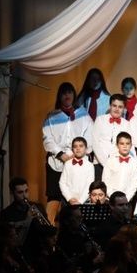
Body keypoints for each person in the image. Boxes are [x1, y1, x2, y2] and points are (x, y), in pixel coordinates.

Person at [42, 82, 94, 220]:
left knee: (75, 195)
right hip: (56, 163)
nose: (67, 96)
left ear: (74, 95)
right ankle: (50, 228)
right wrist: (61, 154)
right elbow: (47, 138)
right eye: (64, 93)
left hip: (77, 161)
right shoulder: (52, 116)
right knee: (54, 196)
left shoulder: (83, 115)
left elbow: (90, 138)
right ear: (59, 96)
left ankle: (76, 225)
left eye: (69, 92)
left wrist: (76, 154)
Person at [92, 94, 133, 175]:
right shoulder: (100, 120)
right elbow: (94, 143)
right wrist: (105, 163)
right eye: (114, 106)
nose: (117, 109)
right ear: (110, 106)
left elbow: (129, 145)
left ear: (124, 109)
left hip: (117, 165)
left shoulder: (127, 124)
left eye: (120, 107)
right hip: (99, 163)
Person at [101, 132, 137, 206]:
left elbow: (134, 184)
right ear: (117, 145)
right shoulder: (110, 161)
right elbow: (105, 181)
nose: (125, 146)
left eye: (127, 143)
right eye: (122, 144)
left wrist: (125, 199)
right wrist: (113, 198)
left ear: (131, 145)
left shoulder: (134, 163)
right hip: (111, 200)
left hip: (127, 201)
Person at [59, 136, 95, 205]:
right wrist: (69, 198)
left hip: (84, 201)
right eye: (75, 146)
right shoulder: (67, 164)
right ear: (72, 149)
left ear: (86, 149)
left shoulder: (90, 166)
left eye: (81, 146)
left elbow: (89, 185)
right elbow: (62, 183)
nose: (78, 148)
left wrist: (80, 201)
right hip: (68, 201)